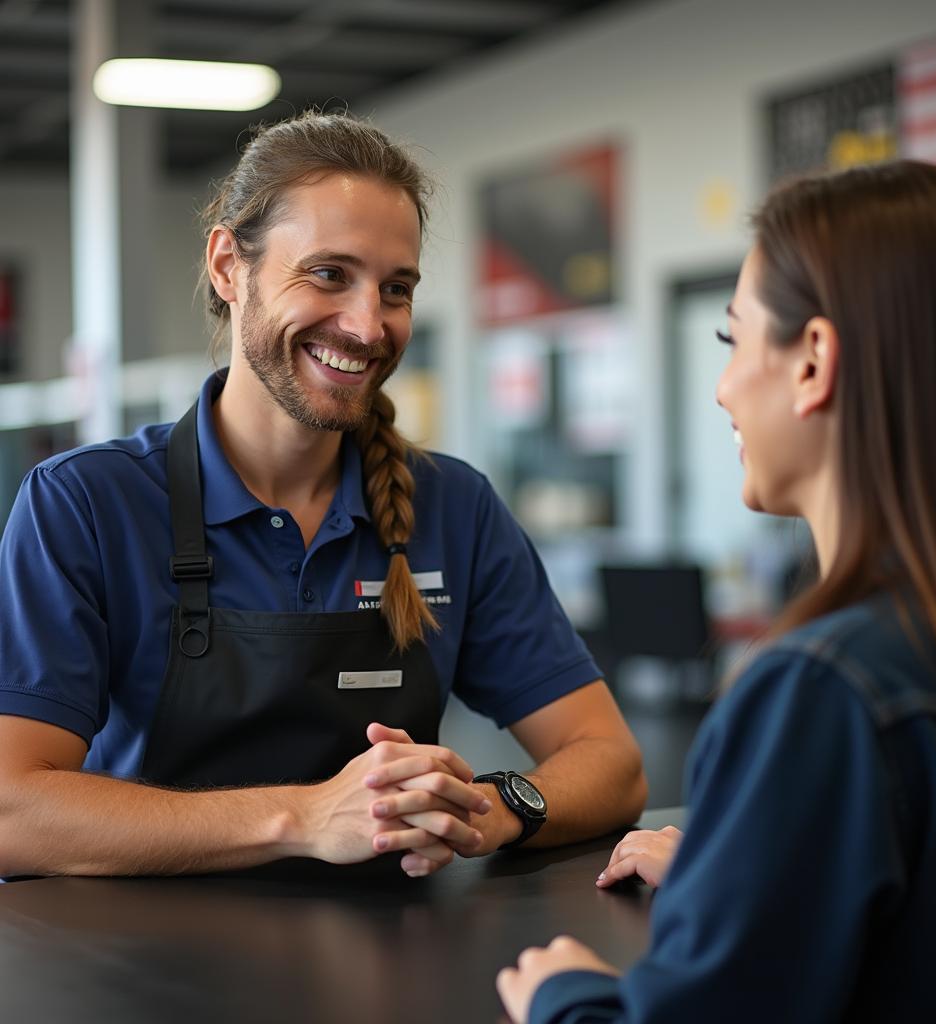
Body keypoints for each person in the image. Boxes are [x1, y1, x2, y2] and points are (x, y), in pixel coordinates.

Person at [0, 111, 646, 879]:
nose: (369, 326)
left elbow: (613, 763)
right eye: (330, 274)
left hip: (389, 966)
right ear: (228, 268)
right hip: (143, 980)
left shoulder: (453, 508)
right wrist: (303, 817)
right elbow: (14, 810)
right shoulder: (85, 505)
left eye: (396, 288)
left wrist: (489, 808)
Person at [497, 160, 936, 1022]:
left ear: (813, 361)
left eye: (733, 340)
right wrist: (746, 870)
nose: (723, 386)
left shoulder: (824, 692)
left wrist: (563, 998)